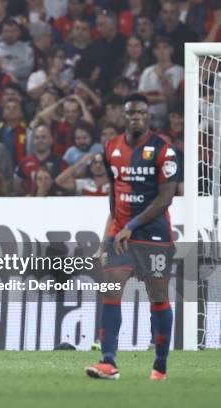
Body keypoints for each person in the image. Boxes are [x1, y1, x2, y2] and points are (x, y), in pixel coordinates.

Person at [85, 93, 179, 381]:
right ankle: (108, 362)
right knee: (112, 290)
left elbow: (165, 198)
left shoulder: (164, 150)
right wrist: (108, 238)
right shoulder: (111, 148)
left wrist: (133, 224)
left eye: (140, 112)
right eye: (130, 113)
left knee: (159, 297)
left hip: (155, 237)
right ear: (123, 117)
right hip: (122, 237)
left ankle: (160, 365)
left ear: (148, 116)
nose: (135, 117)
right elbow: (114, 196)